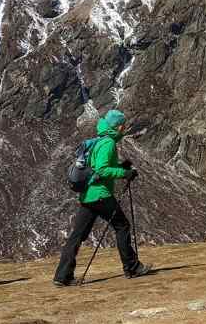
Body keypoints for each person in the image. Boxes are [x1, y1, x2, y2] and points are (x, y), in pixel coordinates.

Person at [53, 110, 150, 286]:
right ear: (118, 126)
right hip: (101, 195)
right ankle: (132, 267)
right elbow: (102, 170)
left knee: (76, 236)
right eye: (123, 125)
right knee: (122, 226)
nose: (124, 128)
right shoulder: (108, 143)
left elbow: (97, 168)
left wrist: (120, 166)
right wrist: (125, 173)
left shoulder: (96, 142)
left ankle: (62, 276)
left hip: (88, 196)